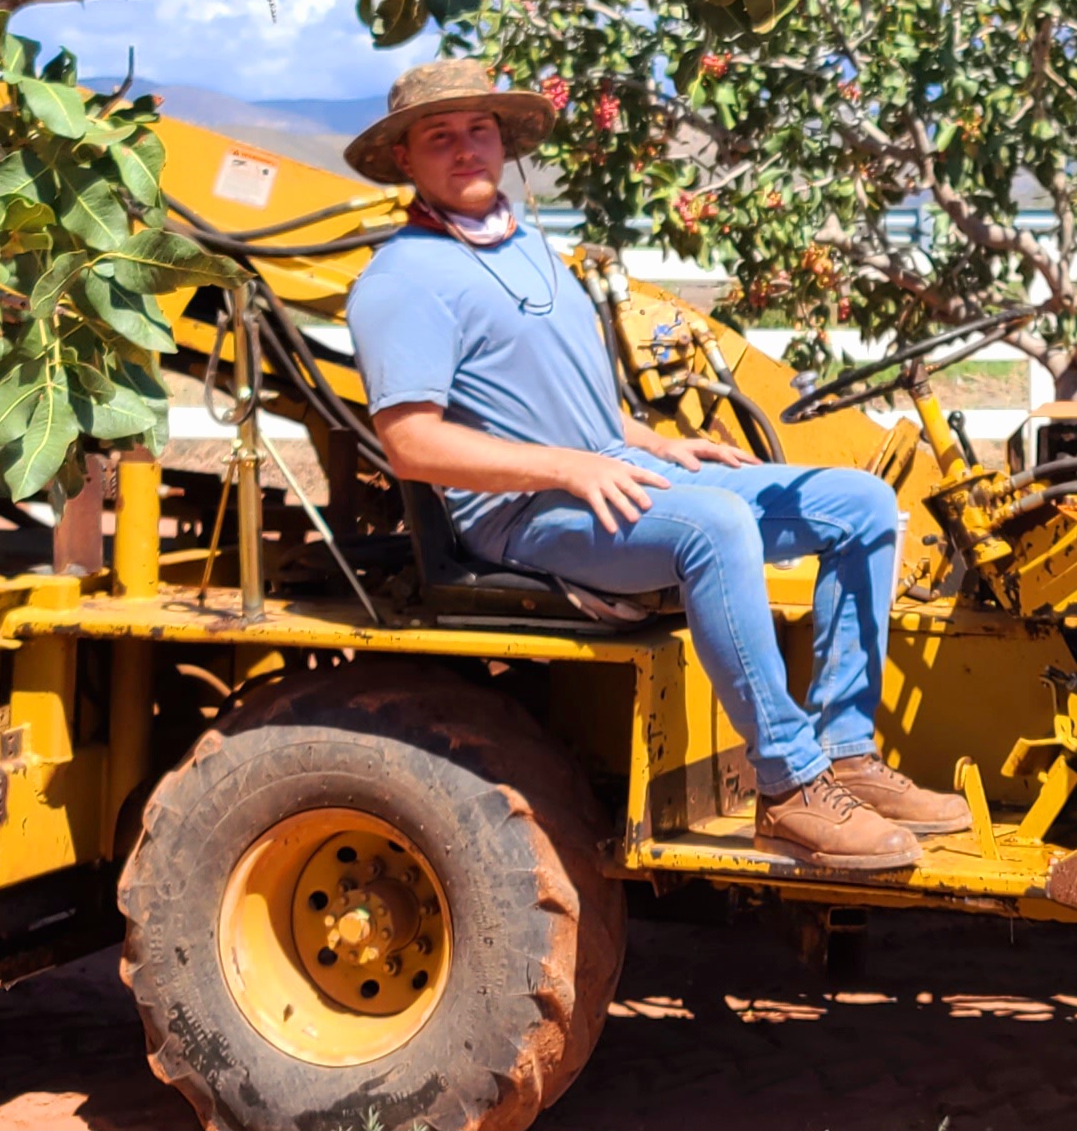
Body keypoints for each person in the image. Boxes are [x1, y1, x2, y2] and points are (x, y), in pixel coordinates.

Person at [340, 59, 966, 872]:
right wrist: (568, 468)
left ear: (504, 142)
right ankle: (790, 787)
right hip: (524, 516)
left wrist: (652, 440)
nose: (466, 149)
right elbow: (411, 443)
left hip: (607, 473)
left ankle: (846, 754)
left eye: (479, 130)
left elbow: (568, 399)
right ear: (403, 158)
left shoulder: (527, 248)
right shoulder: (402, 279)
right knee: (715, 525)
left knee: (861, 503)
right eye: (440, 137)